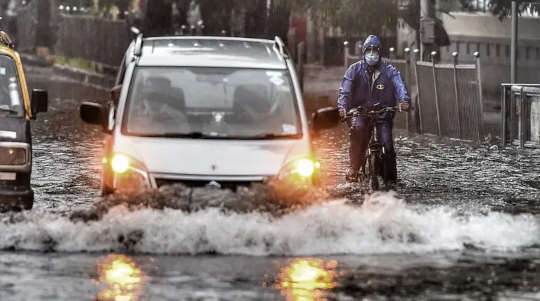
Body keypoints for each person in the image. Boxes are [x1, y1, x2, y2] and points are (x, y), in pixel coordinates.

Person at [337, 35, 411, 186]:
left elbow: (399, 85)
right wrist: (343, 108)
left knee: (388, 144)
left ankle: (391, 180)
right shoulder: (354, 70)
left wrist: (404, 100)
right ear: (363, 52)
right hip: (359, 112)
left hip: (383, 113)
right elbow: (345, 91)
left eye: (375, 50)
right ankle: (353, 168)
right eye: (369, 50)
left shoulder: (390, 70)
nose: (372, 54)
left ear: (380, 53)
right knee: (357, 131)